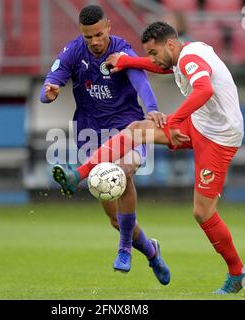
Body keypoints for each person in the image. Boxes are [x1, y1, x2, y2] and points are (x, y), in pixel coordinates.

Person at [53, 21, 245, 294]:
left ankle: (237, 272)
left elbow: (204, 90)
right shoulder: (181, 56)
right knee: (135, 131)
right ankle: (79, 174)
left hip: (219, 138)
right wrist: (128, 61)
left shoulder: (192, 58)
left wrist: (174, 122)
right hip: (199, 124)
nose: (153, 58)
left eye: (154, 52)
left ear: (170, 44)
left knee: (202, 212)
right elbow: (160, 66)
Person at [41, 6, 170, 285]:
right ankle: (151, 252)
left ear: (109, 26)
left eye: (99, 34)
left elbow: (142, 84)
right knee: (115, 218)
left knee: (123, 172)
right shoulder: (75, 51)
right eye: (89, 37)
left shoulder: (122, 52)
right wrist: (48, 92)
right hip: (92, 135)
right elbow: (52, 81)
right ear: (82, 34)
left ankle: (124, 249)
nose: (95, 41)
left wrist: (152, 109)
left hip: (129, 128)